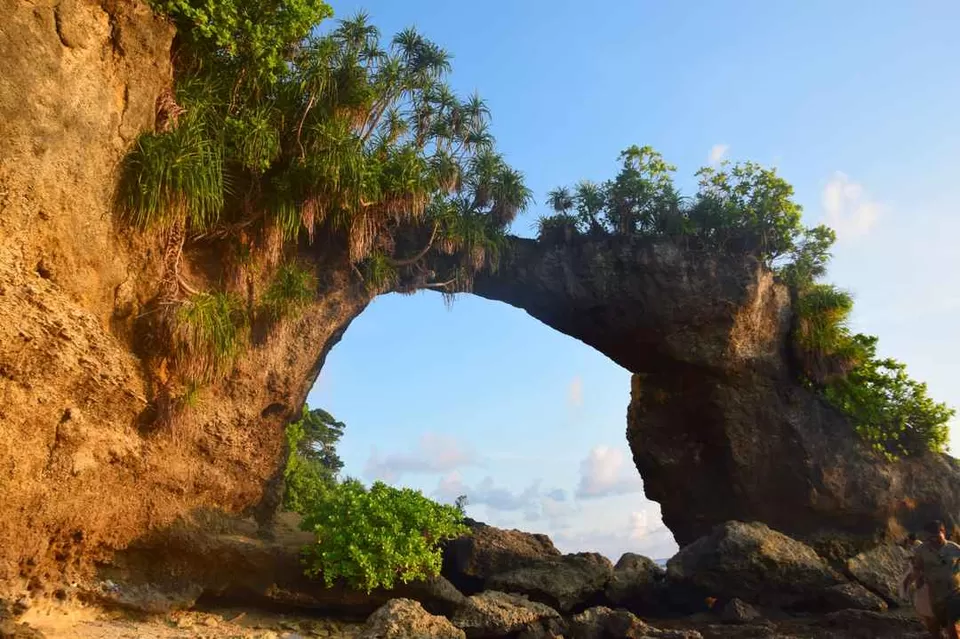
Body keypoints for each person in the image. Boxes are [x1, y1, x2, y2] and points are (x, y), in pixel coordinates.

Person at [908, 521, 960, 638]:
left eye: (936, 536)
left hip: (955, 594)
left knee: (953, 628)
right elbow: (917, 568)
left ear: (943, 532)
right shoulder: (921, 550)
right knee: (936, 629)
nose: (933, 540)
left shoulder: (955, 549)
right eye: (929, 538)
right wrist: (916, 583)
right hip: (935, 596)